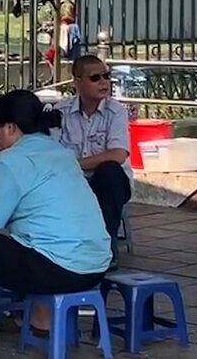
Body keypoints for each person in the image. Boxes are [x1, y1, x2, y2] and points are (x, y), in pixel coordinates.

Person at [0, 90, 111, 352]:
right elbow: (34, 202)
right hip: (95, 266)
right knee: (1, 242)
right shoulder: (61, 152)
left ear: (11, 127)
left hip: (56, 269)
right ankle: (39, 320)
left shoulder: (10, 160)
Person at [54, 55, 133, 263]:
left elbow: (118, 154)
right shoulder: (60, 112)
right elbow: (51, 153)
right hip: (73, 181)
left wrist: (74, 164)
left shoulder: (115, 112)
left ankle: (105, 247)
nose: (103, 82)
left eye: (106, 76)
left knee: (109, 171)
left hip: (108, 183)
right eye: (95, 78)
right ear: (77, 81)